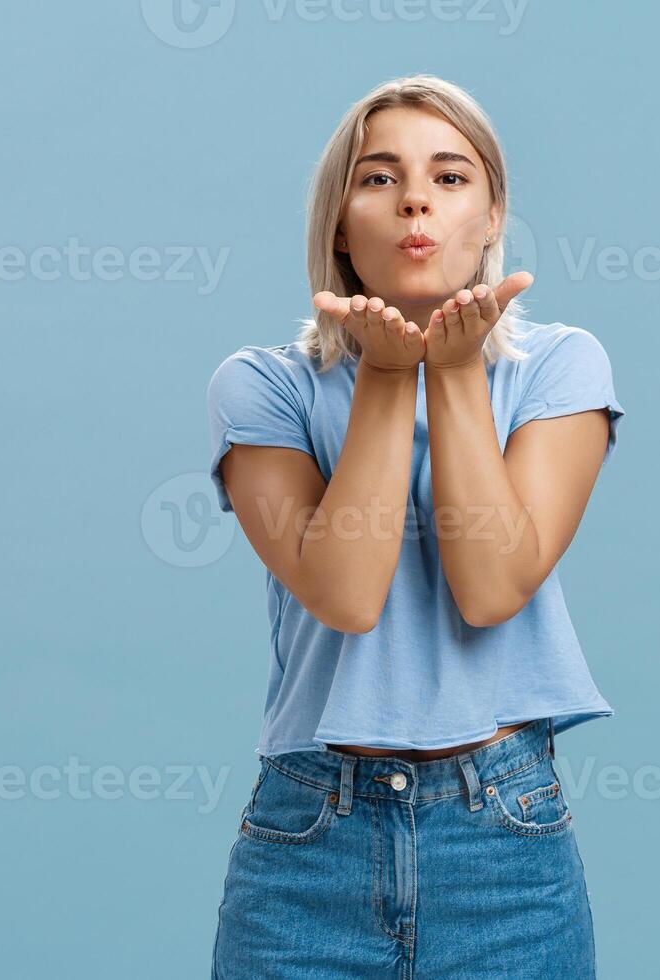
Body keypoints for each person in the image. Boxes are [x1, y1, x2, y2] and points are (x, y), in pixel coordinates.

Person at [204, 74, 624, 977]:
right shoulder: (261, 386)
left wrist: (457, 370)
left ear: (491, 212)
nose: (416, 202)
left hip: (503, 842)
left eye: (449, 176)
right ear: (338, 224)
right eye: (380, 177)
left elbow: (491, 588)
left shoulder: (561, 366)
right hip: (310, 842)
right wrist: (392, 379)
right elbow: (347, 596)